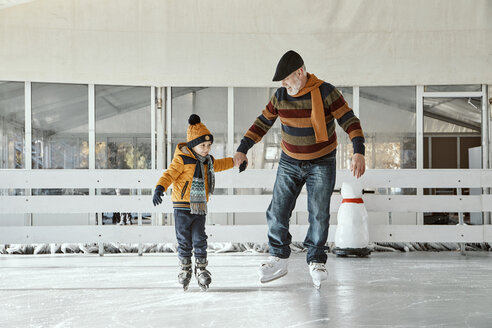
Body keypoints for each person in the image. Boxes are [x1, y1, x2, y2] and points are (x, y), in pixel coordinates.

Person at [233, 50, 366, 288]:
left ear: (300, 72)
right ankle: (278, 256)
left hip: (322, 160)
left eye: (286, 78)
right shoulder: (281, 96)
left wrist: (358, 151)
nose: (283, 84)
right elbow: (262, 122)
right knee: (277, 210)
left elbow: (349, 119)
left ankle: (316, 259)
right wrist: (243, 148)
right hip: (289, 160)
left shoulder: (326, 91)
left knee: (318, 213)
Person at [153, 114, 235, 291]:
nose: (206, 149)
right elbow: (169, 174)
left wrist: (235, 161)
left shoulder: (208, 162)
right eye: (203, 145)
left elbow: (220, 164)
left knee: (200, 238)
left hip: (199, 207)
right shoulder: (182, 159)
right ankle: (185, 268)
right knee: (184, 240)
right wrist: (160, 187)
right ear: (193, 145)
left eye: (208, 145)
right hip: (182, 206)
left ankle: (201, 268)